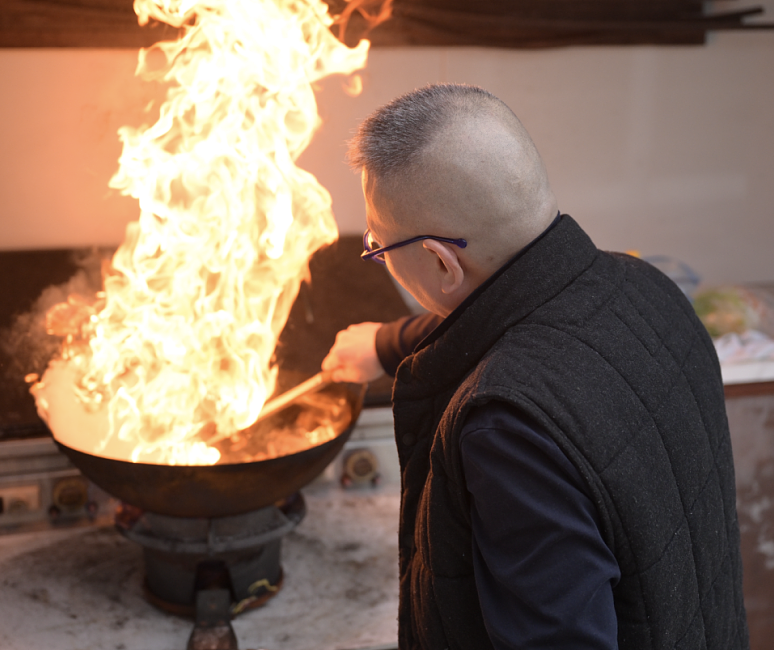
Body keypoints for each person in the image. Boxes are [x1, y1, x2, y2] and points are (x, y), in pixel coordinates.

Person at [321, 83, 749, 650]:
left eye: (377, 244)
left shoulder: (508, 426)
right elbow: (512, 303)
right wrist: (384, 343)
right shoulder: (647, 288)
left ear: (439, 261)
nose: (377, 255)